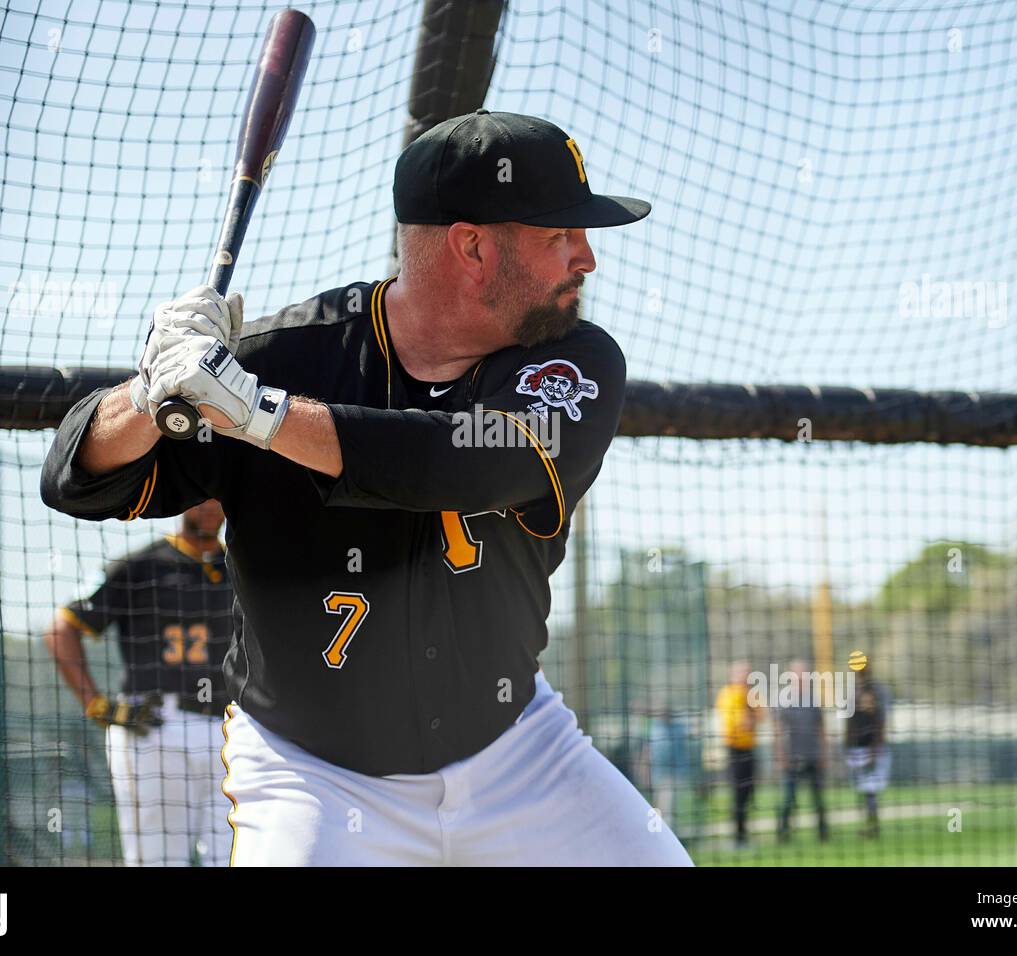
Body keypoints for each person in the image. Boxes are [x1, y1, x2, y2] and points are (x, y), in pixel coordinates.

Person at [41, 110, 691, 866]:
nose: (586, 260)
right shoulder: (285, 357)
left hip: (516, 751)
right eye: (559, 237)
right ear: (473, 246)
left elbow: (462, 463)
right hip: (315, 776)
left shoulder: (574, 360)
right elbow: (77, 478)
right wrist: (151, 391)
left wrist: (259, 415)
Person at [44, 499, 233, 866]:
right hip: (156, 727)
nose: (211, 506)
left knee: (235, 858)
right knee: (158, 860)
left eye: (219, 495)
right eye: (201, 494)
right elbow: (60, 630)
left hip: (230, 731)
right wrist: (96, 703)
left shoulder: (240, 567)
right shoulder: (139, 566)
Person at [774, 659, 829, 843]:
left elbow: (821, 729)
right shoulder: (784, 701)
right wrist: (781, 756)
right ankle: (783, 834)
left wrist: (824, 754)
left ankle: (823, 834)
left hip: (812, 755)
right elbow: (778, 731)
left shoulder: (813, 700)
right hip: (792, 758)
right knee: (789, 798)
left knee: (818, 799)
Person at [716, 661, 761, 847]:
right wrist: (748, 718)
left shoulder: (752, 694)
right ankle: (738, 836)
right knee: (738, 792)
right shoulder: (727, 694)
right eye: (743, 673)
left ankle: (743, 833)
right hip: (735, 749)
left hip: (750, 748)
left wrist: (750, 717)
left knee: (749, 791)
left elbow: (761, 716)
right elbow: (736, 724)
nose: (746, 676)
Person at [845, 662, 891, 838]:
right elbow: (849, 723)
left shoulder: (874, 691)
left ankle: (872, 827)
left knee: (870, 791)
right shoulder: (852, 692)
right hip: (856, 750)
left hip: (871, 750)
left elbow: (879, 724)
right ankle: (867, 826)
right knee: (862, 792)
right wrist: (847, 747)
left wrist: (874, 750)